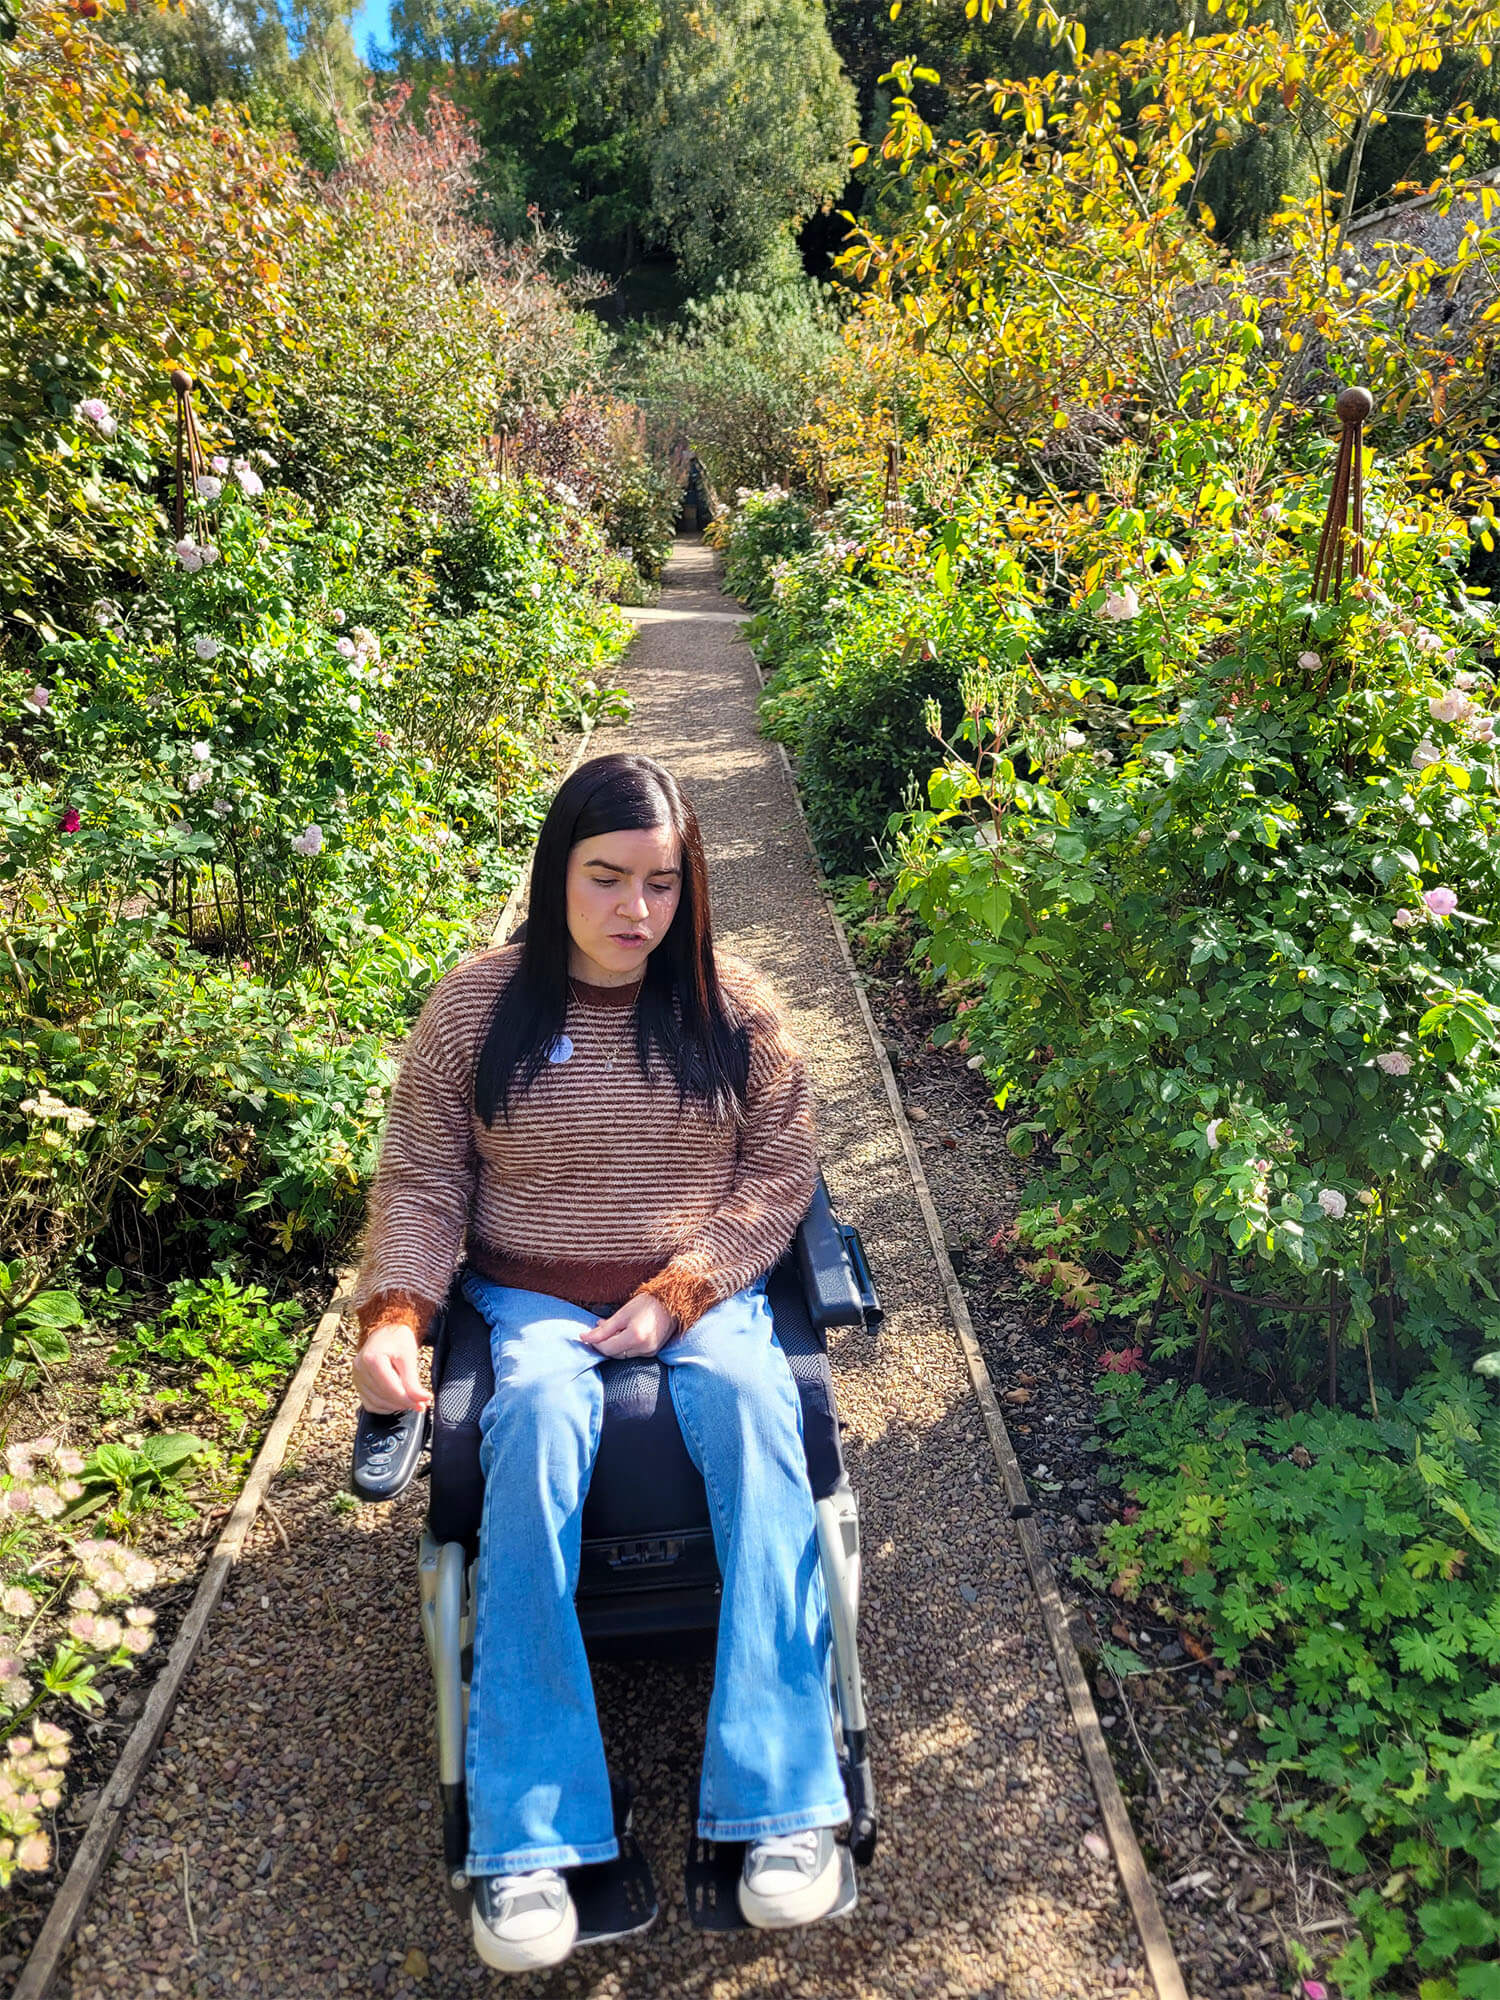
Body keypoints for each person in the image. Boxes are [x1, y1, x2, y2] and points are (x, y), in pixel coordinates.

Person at [350, 752, 848, 1975]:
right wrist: (395, 1316)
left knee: (754, 1408)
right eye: (608, 878)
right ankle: (531, 1829)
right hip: (528, 1296)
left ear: (693, 886)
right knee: (528, 1431)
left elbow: (781, 1175)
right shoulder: (476, 1010)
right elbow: (424, 1177)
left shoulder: (733, 1010)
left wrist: (681, 1293)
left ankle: (784, 1809)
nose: (636, 911)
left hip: (696, 1290)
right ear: (556, 873)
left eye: (662, 884)